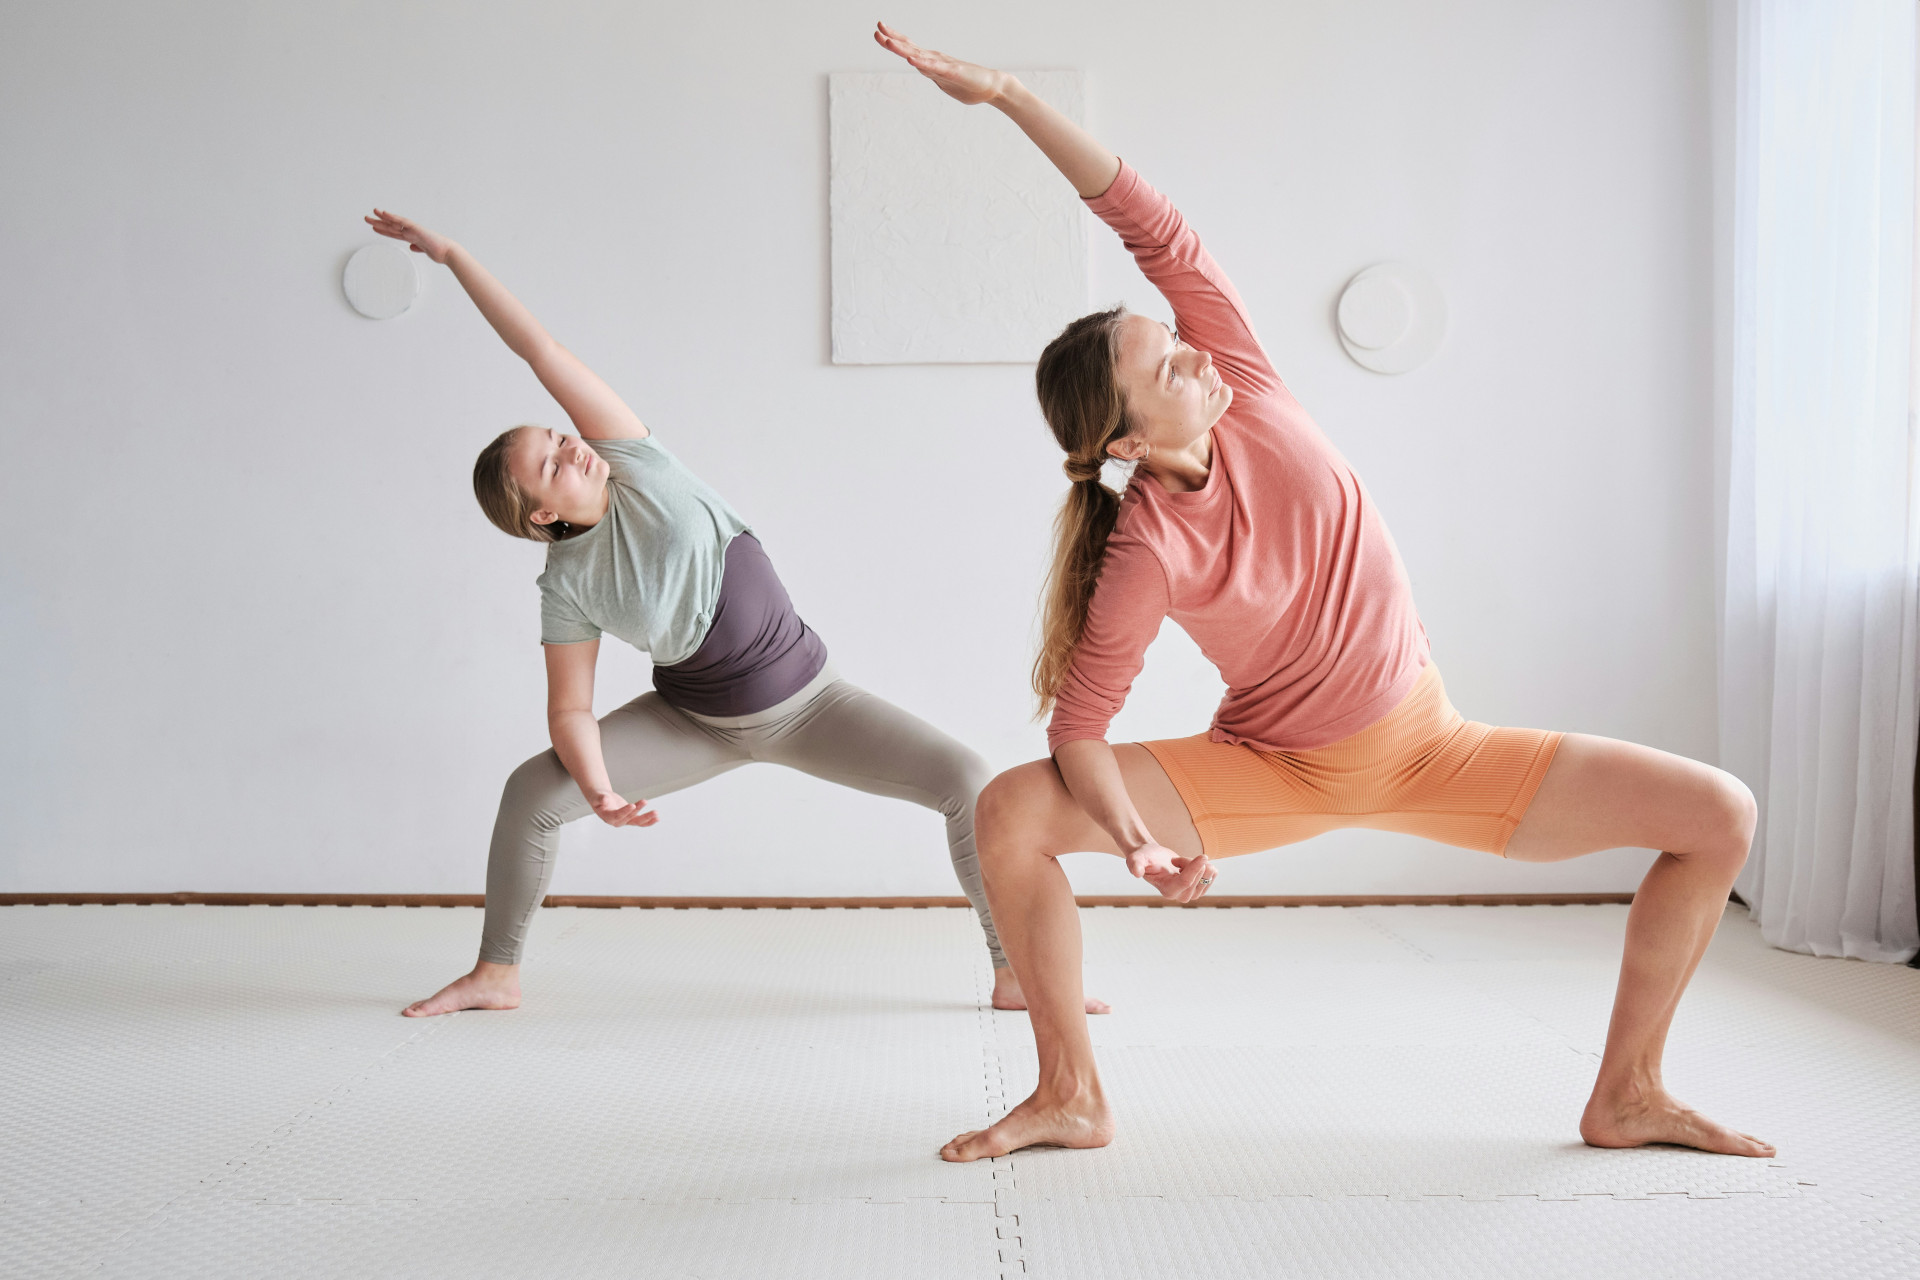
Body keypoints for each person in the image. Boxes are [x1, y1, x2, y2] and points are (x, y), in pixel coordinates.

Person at [872, 22, 1773, 1164]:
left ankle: (1629, 1093)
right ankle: (1071, 1094)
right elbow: (1080, 728)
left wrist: (1008, 95)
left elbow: (1152, 225)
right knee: (1009, 810)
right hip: (1277, 770)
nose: (1193, 354)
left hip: (1435, 749)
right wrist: (1138, 845)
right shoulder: (1146, 547)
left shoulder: (1244, 379)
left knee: (1719, 815)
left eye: (1177, 340)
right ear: (1128, 442)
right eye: (1165, 365)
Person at [362, 208, 1106, 1017]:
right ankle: (496, 973)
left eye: (555, 434)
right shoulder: (565, 586)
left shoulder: (633, 461)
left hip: (814, 704)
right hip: (697, 723)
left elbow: (539, 349)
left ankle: (1013, 973)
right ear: (542, 515)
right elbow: (569, 708)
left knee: (968, 781)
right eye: (551, 462)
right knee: (532, 795)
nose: (570, 445)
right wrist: (600, 789)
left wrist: (454, 256)